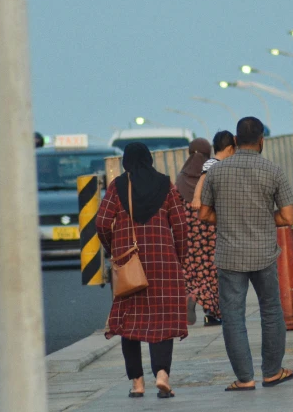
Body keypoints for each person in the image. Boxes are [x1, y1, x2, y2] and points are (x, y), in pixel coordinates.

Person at [200, 117, 293, 391]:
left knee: (232, 315)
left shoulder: (217, 172)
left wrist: (230, 218)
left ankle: (245, 379)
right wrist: (265, 218)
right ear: (262, 140)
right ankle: (272, 373)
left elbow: (204, 213)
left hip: (230, 255)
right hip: (264, 253)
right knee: (270, 310)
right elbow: (289, 216)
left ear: (234, 141)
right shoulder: (273, 170)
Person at [97, 142, 188, 399]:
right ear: (149, 159)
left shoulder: (117, 187)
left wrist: (113, 249)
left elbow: (102, 222)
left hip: (130, 262)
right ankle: (162, 375)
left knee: (130, 321)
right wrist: (179, 257)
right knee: (162, 317)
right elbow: (180, 225)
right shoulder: (166, 185)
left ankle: (137, 383)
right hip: (163, 261)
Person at [178, 134, 235, 327]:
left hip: (188, 236)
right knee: (212, 271)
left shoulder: (180, 179)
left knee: (192, 270)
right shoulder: (212, 173)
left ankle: (191, 296)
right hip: (210, 231)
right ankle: (212, 313)